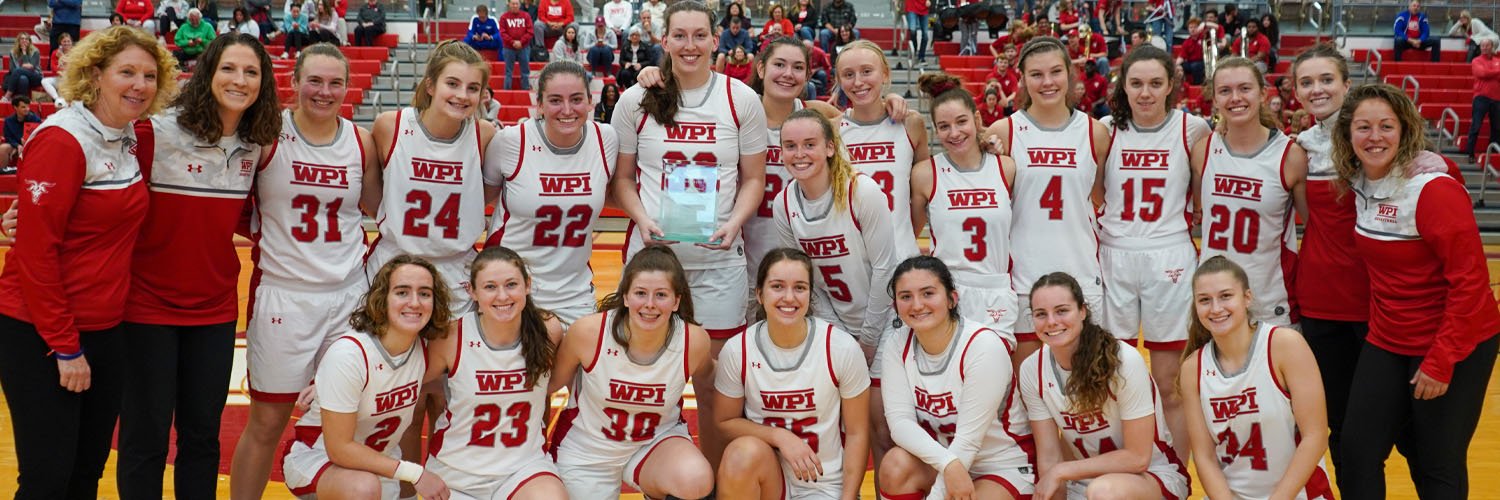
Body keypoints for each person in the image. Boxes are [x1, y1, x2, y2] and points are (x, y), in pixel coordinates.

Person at [0, 26, 176, 499]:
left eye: (148, 75)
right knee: (47, 479)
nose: (139, 84)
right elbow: (36, 255)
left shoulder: (128, 136)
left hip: (106, 329)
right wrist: (65, 346)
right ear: (95, 75)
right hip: (40, 331)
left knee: (85, 473)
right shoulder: (62, 140)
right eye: (126, 73)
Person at [115, 32, 282, 500]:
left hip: (213, 309)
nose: (240, 80)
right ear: (208, 72)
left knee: (202, 437)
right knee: (145, 439)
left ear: (262, 83)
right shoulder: (154, 133)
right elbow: (99, 185)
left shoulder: (256, 147)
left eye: (251, 72)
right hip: (146, 307)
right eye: (229, 68)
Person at [609, 0, 768, 472]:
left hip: (719, 264)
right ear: (665, 41)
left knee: (715, 386)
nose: (690, 44)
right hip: (655, 263)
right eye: (680, 35)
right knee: (650, 379)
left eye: (700, 35)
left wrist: (734, 221)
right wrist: (641, 218)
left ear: (716, 41)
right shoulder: (635, 100)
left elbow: (754, 179)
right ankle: (664, 476)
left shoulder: (741, 100)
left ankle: (719, 483)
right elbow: (621, 180)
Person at [225, 43, 379, 500]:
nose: (324, 91)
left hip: (350, 296)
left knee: (349, 419)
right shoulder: (266, 135)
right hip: (284, 296)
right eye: (315, 80)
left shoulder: (360, 140)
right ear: (294, 82)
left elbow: (378, 209)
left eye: (335, 83)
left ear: (348, 87)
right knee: (268, 422)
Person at [1334, 83, 1500, 499]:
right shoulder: (1359, 182)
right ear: (1347, 135)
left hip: (1455, 343)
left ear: (1405, 130)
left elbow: (1472, 286)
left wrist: (1441, 360)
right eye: (1364, 127)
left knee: (1436, 463)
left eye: (1386, 126)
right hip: (1389, 338)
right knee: (1355, 453)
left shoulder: (1432, 189)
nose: (1375, 137)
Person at [1097, 45, 1210, 464]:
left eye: (1155, 83)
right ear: (1123, 86)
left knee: (1170, 380)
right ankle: (1121, 466)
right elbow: (1093, 192)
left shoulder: (1192, 129)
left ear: (1171, 87)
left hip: (1170, 258)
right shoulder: (1105, 129)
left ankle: (1176, 477)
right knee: (1111, 376)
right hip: (1115, 253)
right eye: (1136, 83)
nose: (1145, 93)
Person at [548, 246, 715, 499]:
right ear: (625, 296)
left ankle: (658, 485)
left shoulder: (693, 341)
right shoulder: (589, 333)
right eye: (640, 293)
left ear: (676, 301)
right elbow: (547, 386)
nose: (649, 304)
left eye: (661, 295)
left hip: (654, 443)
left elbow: (716, 384)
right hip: (587, 451)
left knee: (694, 478)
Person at [280, 255, 453, 499]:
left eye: (424, 293)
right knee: (363, 488)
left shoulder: (425, 350)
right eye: (402, 292)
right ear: (382, 299)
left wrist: (324, 386)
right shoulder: (350, 355)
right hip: (322, 460)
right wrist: (416, 474)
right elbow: (339, 449)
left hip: (379, 462)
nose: (414, 302)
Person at [983, 37, 1111, 365]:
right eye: (1036, 74)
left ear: (1070, 73)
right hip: (1023, 276)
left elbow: (1098, 199)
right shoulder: (1005, 130)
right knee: (1026, 385)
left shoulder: (1094, 132)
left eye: (1056, 72)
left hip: (1080, 270)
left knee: (1083, 382)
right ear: (1022, 78)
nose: (1048, 82)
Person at [713, 247, 872, 500]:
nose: (789, 297)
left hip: (824, 486)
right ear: (760, 294)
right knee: (741, 453)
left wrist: (848, 497)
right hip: (769, 481)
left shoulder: (840, 347)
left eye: (799, 288)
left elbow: (856, 433)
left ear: (810, 294)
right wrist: (779, 436)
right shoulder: (738, 350)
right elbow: (724, 423)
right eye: (777, 286)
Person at [1018, 272, 1190, 500]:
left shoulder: (1122, 360)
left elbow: (1137, 457)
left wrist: (1061, 472)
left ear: (1082, 311)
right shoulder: (1032, 369)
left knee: (1104, 492)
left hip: (1150, 478)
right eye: (1041, 314)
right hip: (1082, 482)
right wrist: (1056, 479)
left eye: (1062, 311)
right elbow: (1049, 457)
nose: (1051, 321)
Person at [877, 256, 1035, 499]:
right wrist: (948, 464)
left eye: (928, 293)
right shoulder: (896, 345)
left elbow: (968, 442)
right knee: (895, 465)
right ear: (895, 305)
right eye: (906, 296)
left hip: (1000, 465)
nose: (917, 305)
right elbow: (900, 425)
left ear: (952, 299)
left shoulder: (983, 346)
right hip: (945, 462)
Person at [1179, 256, 1335, 500]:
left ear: (1247, 297)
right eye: (1205, 300)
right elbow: (1204, 456)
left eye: (1226, 296)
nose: (1216, 308)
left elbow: (1315, 437)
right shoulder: (1192, 368)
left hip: (1295, 495)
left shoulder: (1284, 345)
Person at [422, 247, 569, 499]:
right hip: (456, 472)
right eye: (490, 287)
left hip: (523, 469)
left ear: (528, 285)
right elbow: (411, 385)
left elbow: (550, 386)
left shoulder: (548, 330)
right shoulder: (450, 338)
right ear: (472, 292)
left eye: (511, 284)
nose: (502, 296)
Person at [368, 39, 498, 316]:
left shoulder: (484, 135)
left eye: (473, 88)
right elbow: (374, 193)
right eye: (452, 84)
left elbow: (483, 195)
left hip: (456, 268)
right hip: (395, 261)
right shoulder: (390, 126)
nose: (462, 95)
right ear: (430, 85)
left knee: (450, 358)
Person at [483, 61, 617, 324]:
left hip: (575, 292)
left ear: (591, 102)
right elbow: (479, 201)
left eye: (576, 99)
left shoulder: (606, 139)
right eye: (555, 100)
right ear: (539, 104)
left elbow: (615, 190)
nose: (567, 110)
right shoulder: (511, 141)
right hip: (510, 289)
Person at [1287, 45, 1363, 481]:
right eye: (1307, 82)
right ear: (1296, 90)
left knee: (1386, 427)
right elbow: (1310, 220)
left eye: (1327, 79)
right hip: (1320, 300)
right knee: (1335, 425)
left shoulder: (1373, 133)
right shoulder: (1302, 147)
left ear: (1346, 84)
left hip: (1376, 301)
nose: (1317, 89)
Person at [1189, 56, 1308, 329]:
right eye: (1225, 91)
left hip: (1270, 298)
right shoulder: (1202, 151)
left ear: (1262, 93)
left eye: (1245, 88)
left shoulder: (1291, 156)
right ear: (1215, 99)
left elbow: (1315, 228)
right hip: (1214, 300)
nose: (1235, 98)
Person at [911, 72, 1020, 337]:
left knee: (996, 372)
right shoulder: (925, 174)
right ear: (935, 130)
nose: (954, 132)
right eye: (944, 126)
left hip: (996, 287)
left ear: (977, 120)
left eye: (962, 122)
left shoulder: (1006, 167)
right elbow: (909, 233)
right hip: (947, 289)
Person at [834, 40, 930, 244]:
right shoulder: (831, 130)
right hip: (854, 260)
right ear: (839, 80)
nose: (858, 82)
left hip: (900, 256)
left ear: (885, 73)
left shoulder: (911, 124)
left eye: (867, 71)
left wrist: (904, 240)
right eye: (848, 74)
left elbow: (923, 194)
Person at [1468, 39, 1500, 161]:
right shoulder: (1476, 60)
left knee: (1497, 128)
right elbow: (1481, 73)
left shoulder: (1498, 61)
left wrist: (1490, 73)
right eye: (1482, 46)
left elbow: (1487, 73)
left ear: (1492, 47)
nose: (1485, 48)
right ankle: (1470, 153)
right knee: (1476, 125)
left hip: (1497, 98)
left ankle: (1493, 153)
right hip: (1481, 97)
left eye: (1487, 45)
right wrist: (1496, 72)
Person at [498, 0, 535, 90]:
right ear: (509, 4)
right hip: (508, 48)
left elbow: (530, 32)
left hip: (524, 47)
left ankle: (525, 89)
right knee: (508, 72)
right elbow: (502, 33)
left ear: (519, 5)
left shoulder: (526, 16)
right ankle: (507, 91)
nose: (515, 5)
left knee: (525, 71)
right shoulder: (504, 17)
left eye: (516, 4)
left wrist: (521, 42)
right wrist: (512, 42)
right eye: (513, 4)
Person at [0, 96, 42, 171]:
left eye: (28, 106)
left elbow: (40, 136)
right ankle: (3, 172)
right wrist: (17, 146)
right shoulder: (8, 121)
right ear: (15, 107)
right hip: (16, 145)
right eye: (23, 107)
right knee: (3, 148)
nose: (27, 109)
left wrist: (27, 144)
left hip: (32, 144)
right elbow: (8, 137)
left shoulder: (35, 120)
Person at [4, 35, 43, 103]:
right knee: (23, 78)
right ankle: (23, 100)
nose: (24, 40)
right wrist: (22, 69)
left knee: (18, 70)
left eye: (26, 39)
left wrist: (24, 53)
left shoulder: (35, 51)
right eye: (22, 39)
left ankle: (7, 96)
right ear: (18, 41)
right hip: (18, 76)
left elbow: (31, 67)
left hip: (35, 76)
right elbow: (12, 69)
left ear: (29, 41)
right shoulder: (13, 52)